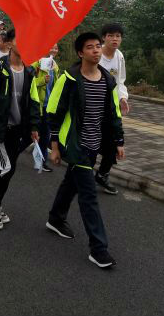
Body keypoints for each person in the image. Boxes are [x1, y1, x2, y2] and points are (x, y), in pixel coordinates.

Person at [45, 32, 125, 269]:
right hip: (76, 143)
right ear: (81, 53)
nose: (96, 50)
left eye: (98, 46)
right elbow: (54, 111)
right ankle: (98, 249)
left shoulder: (107, 81)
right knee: (89, 195)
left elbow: (113, 113)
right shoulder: (69, 78)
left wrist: (119, 141)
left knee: (71, 182)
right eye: (90, 47)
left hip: (95, 143)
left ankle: (55, 218)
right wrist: (55, 146)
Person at [0, 31, 41, 229]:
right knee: (7, 167)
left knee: (9, 168)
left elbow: (33, 101)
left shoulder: (29, 71)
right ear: (9, 44)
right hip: (0, 128)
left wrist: (33, 126)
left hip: (17, 129)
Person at [95, 23, 129, 195]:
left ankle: (102, 175)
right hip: (94, 107)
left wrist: (123, 97)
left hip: (111, 107)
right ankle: (82, 176)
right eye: (111, 35)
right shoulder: (96, 55)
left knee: (114, 143)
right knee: (92, 143)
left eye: (118, 36)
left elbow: (120, 80)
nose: (115, 39)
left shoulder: (119, 56)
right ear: (104, 38)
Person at [31, 42, 60, 172]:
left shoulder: (54, 66)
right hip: (38, 106)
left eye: (56, 48)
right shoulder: (36, 63)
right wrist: (42, 81)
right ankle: (13, 153)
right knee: (30, 136)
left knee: (46, 135)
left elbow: (55, 85)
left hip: (49, 106)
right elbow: (29, 83)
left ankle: (43, 162)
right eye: (51, 46)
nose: (54, 49)